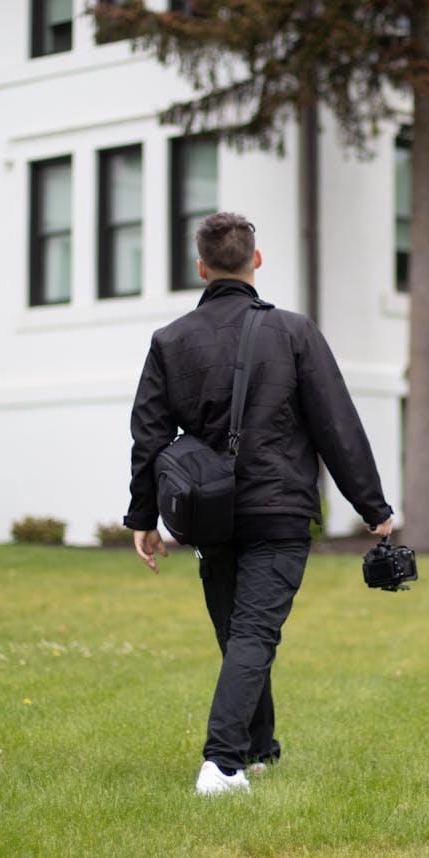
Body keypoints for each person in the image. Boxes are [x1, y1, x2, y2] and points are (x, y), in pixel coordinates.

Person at [124, 212, 392, 796]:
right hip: (279, 512)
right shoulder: (294, 332)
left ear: (201, 267)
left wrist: (143, 518)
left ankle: (258, 752)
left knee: (240, 633)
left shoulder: (170, 341)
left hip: (208, 515)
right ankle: (222, 766)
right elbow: (337, 426)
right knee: (250, 635)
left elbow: (148, 436)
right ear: (257, 260)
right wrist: (374, 508)